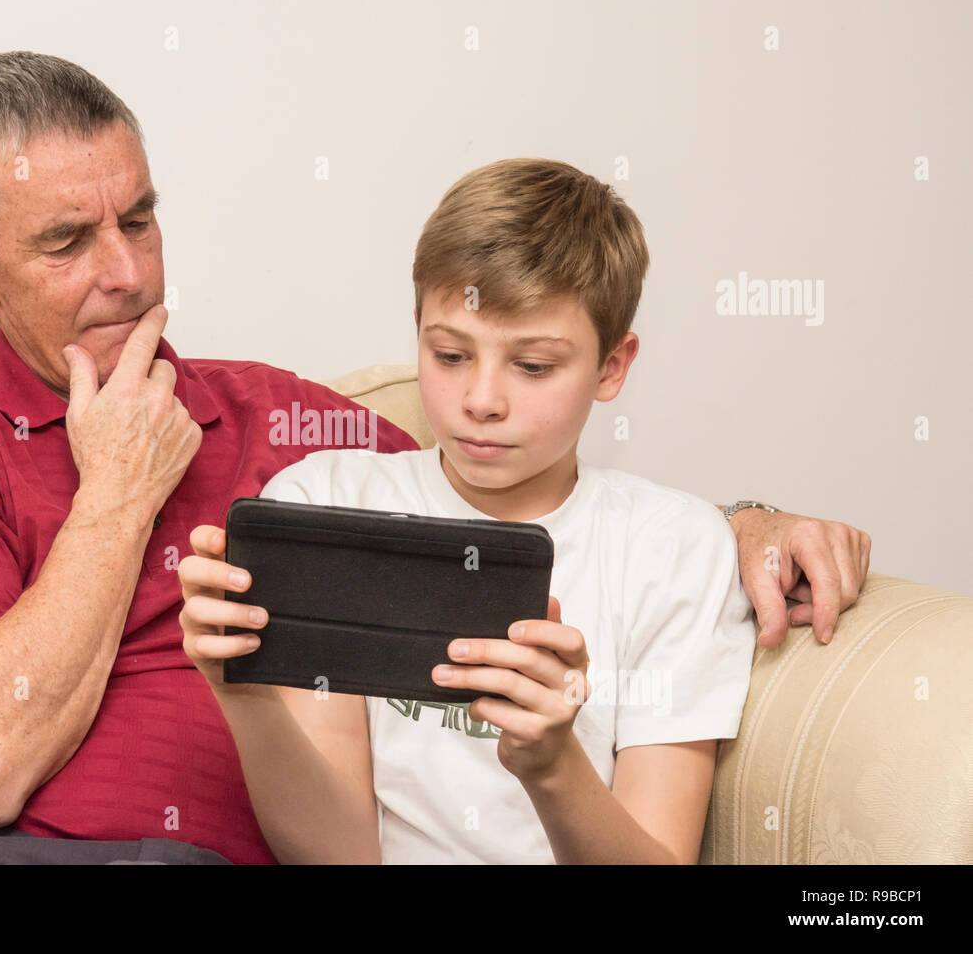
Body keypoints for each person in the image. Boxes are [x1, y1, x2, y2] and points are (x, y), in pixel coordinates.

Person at [0, 51, 870, 864]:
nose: (129, 272)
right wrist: (121, 493)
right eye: (66, 242)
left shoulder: (284, 426)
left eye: (139, 219)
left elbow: (492, 479)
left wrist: (741, 526)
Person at [176, 158, 840, 863]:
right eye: (451, 354)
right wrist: (244, 696)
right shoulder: (329, 502)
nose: (482, 400)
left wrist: (552, 764)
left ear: (613, 366)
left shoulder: (675, 549)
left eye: (533, 366)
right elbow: (338, 854)